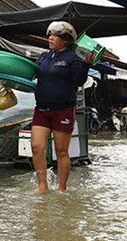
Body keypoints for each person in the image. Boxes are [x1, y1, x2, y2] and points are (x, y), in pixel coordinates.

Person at [31, 21, 92, 194]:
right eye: (49, 34)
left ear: (65, 39)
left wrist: (86, 64)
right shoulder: (43, 56)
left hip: (63, 110)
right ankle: (42, 185)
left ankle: (62, 188)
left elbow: (78, 81)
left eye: (54, 35)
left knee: (61, 151)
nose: (50, 38)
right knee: (36, 147)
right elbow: (31, 75)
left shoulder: (73, 58)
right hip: (42, 109)